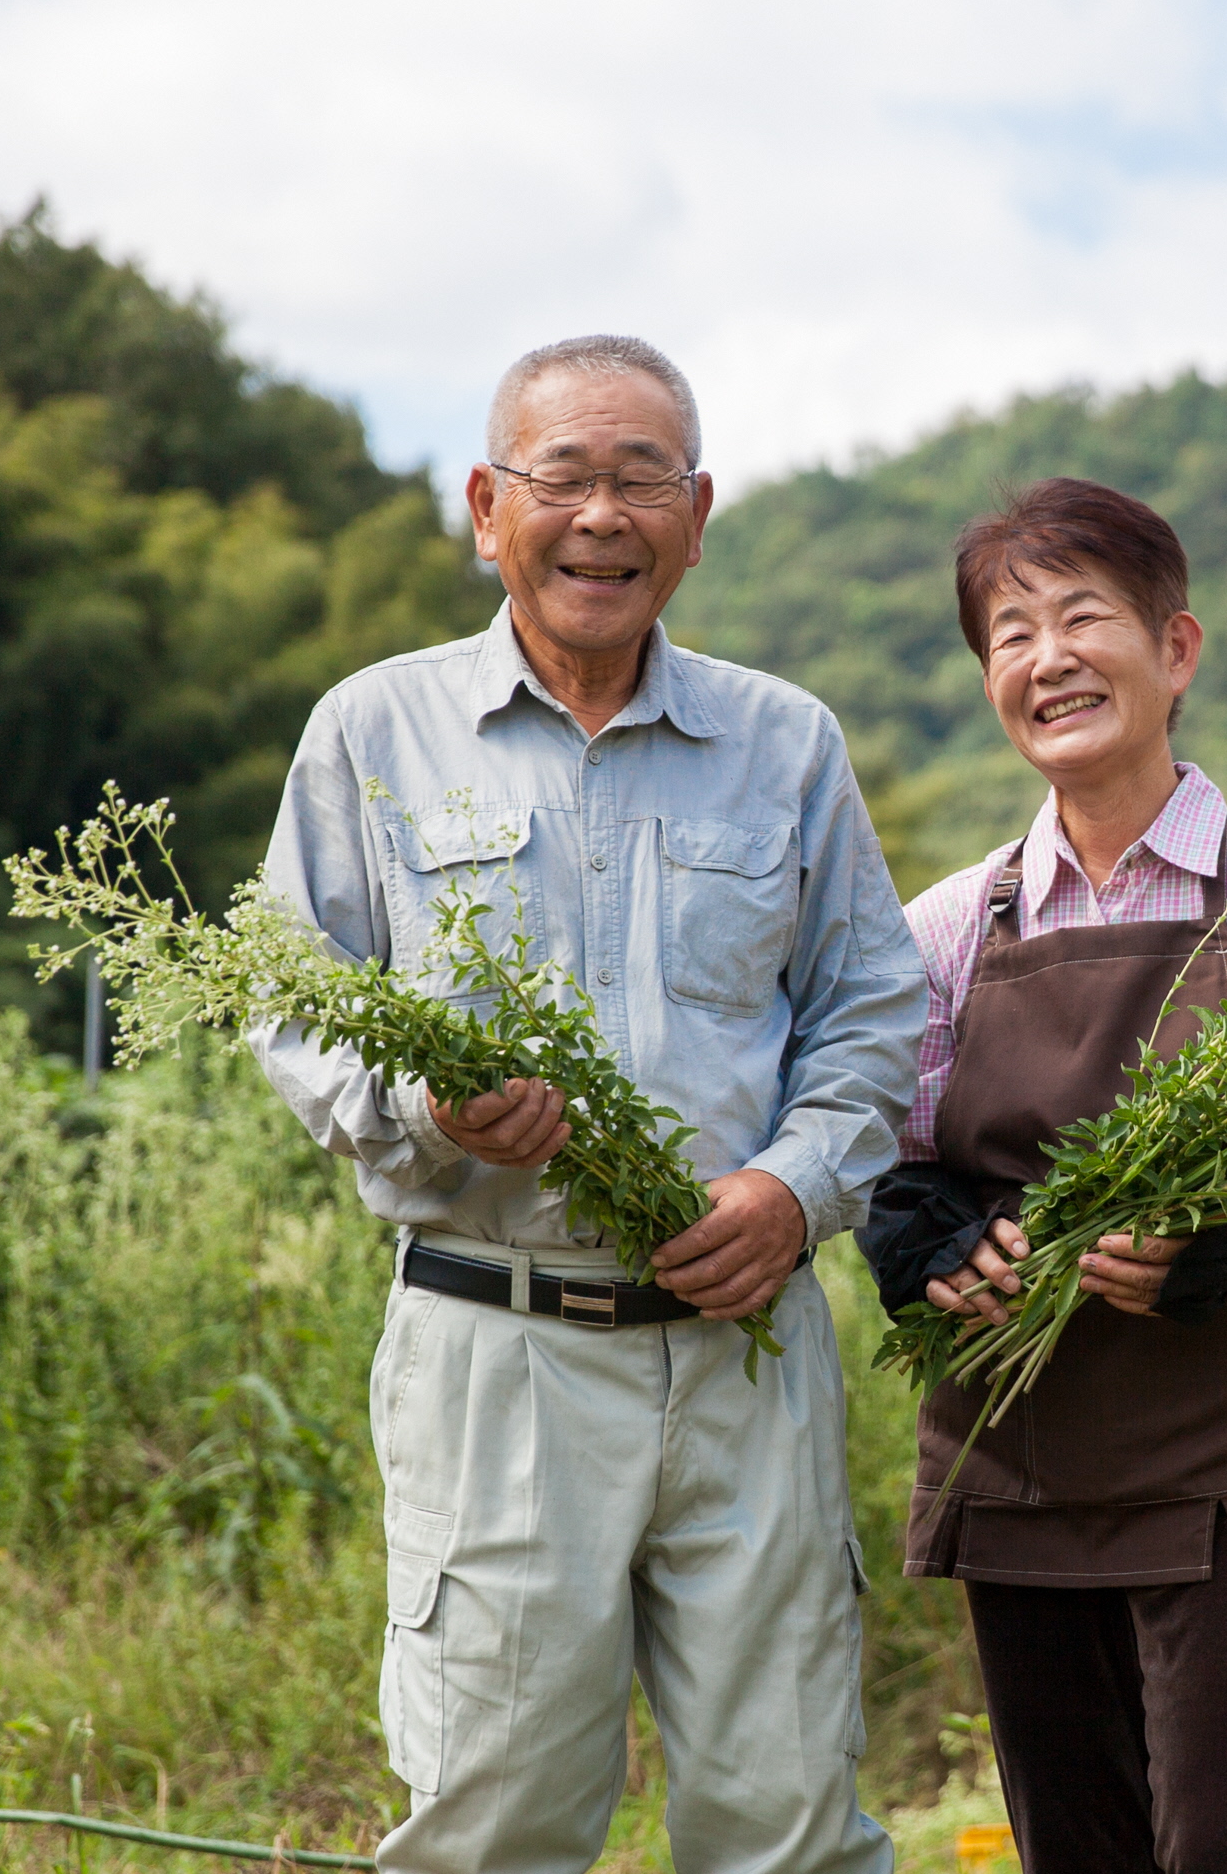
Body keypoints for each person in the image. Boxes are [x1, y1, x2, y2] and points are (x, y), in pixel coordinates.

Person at [256, 334, 921, 1874]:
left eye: (641, 480)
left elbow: (874, 1012)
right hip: (502, 1349)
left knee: (789, 1819)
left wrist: (795, 1189)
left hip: (743, 1352)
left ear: (698, 516)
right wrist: (427, 1107)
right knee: (494, 1826)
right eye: (564, 477)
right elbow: (291, 1008)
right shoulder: (376, 731)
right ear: (489, 507)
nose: (602, 515)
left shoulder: (786, 742)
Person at [855, 478, 1227, 1874]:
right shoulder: (944, 926)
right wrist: (925, 1236)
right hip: (1021, 1446)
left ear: (1179, 648)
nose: (1048, 656)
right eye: (1011, 632)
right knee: (1071, 1847)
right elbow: (888, 1161)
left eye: (1083, 615)